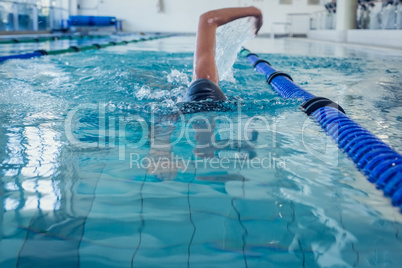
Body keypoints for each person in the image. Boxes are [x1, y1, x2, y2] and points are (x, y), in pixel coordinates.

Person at [184, 7, 263, 103]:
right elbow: (207, 19)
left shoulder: (204, 78)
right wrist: (254, 12)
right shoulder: (204, 78)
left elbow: (208, 19)